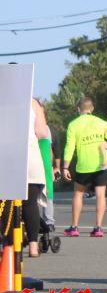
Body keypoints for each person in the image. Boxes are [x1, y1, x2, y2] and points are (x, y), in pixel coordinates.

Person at [61, 98, 107, 237]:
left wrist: (65, 167)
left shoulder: (73, 125)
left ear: (78, 109)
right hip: (102, 165)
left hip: (84, 165)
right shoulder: (101, 122)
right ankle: (98, 228)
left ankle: (74, 227)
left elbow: (69, 147)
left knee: (78, 194)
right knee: (100, 195)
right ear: (92, 109)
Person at [25, 99, 48, 257]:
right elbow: (42, 133)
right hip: (28, 156)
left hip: (5, 155)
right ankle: (33, 246)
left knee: (4, 201)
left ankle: (6, 243)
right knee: (30, 203)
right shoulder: (32, 102)